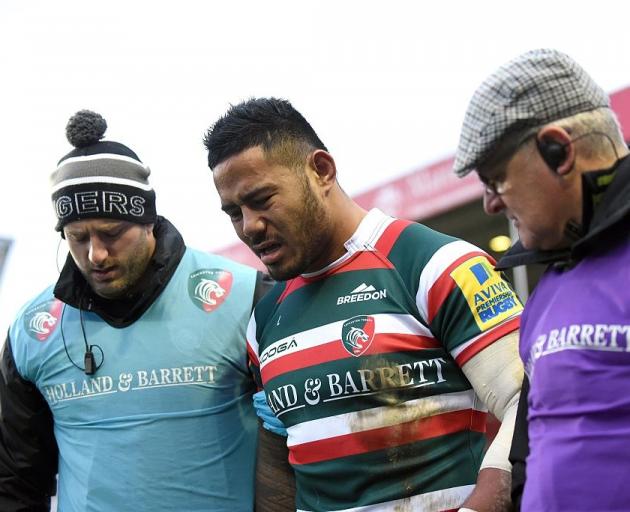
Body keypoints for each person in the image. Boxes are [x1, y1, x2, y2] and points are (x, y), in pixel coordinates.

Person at [203, 97, 525, 512]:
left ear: (321, 170)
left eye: (262, 199)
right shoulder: (264, 318)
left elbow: (530, 401)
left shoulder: (435, 264)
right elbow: (283, 461)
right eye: (234, 212)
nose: (250, 225)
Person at [0, 110, 291, 512]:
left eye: (112, 233)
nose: (95, 254)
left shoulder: (245, 297)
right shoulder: (33, 332)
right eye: (77, 237)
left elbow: (301, 445)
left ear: (147, 219)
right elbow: (16, 480)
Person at [453, 48, 630, 511]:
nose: (490, 204)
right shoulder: (549, 287)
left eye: (496, 179)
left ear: (559, 150)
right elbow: (529, 454)